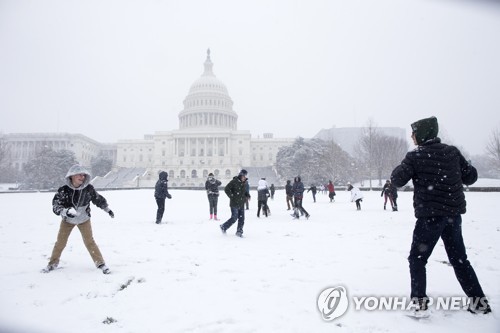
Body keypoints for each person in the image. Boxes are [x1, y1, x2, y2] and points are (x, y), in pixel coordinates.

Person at [391, 116, 491, 316]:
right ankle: (479, 304)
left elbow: (397, 179)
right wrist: (464, 166)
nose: (412, 136)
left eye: (414, 133)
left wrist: (405, 162)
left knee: (417, 259)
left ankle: (419, 305)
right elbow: (470, 177)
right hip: (452, 217)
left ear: (422, 134)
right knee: (460, 260)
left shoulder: (415, 156)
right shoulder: (452, 152)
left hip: (430, 217)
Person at [42, 165, 115, 274]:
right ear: (71, 176)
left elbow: (97, 199)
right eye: (79, 175)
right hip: (67, 221)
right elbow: (56, 205)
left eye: (84, 175)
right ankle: (52, 263)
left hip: (84, 219)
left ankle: (100, 263)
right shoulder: (64, 190)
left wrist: (107, 209)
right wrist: (65, 212)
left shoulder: (88, 189)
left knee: (90, 242)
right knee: (60, 242)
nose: (82, 177)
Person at [220, 169, 251, 237]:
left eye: (245, 176)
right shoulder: (234, 181)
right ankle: (224, 227)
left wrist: (247, 195)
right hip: (234, 203)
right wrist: (231, 196)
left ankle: (239, 232)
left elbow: (244, 191)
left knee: (242, 219)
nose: (245, 177)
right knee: (234, 218)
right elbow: (226, 189)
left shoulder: (244, 183)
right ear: (241, 175)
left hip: (241, 203)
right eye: (244, 176)